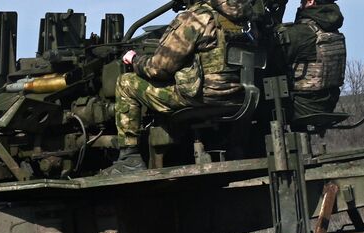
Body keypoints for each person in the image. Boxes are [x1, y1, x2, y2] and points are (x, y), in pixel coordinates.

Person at [107, 0, 254, 175]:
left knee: (126, 83)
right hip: (239, 96)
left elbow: (158, 69)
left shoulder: (197, 17)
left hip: (202, 96)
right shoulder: (248, 18)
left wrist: (134, 59)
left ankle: (129, 159)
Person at [277, 0, 346, 120]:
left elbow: (271, 56)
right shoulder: (332, 32)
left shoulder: (300, 33)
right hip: (326, 105)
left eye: (302, 2)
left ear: (310, 1)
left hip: (300, 107)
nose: (300, 5)